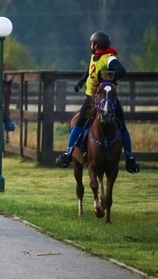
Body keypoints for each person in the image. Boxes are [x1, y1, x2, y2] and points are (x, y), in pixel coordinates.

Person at [55, 31, 140, 174]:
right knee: (79, 122)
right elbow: (90, 70)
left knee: (121, 126)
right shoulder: (95, 57)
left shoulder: (108, 58)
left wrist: (111, 81)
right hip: (91, 99)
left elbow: (121, 71)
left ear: (97, 45)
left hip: (107, 99)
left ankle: (130, 158)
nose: (91, 46)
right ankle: (68, 153)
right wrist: (81, 82)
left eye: (92, 43)